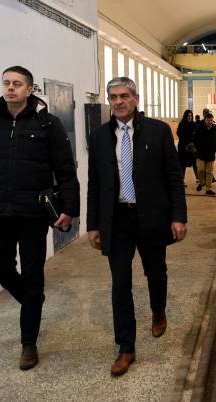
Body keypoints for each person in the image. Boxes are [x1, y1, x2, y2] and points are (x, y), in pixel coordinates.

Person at [0, 65, 79, 370]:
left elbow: (65, 170)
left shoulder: (48, 124)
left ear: (30, 89)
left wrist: (69, 209)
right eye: (6, 83)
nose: (10, 88)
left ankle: (29, 343)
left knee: (32, 274)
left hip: (33, 214)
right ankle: (32, 300)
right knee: (0, 268)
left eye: (17, 83)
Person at [86, 77, 187, 376]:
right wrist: (93, 224)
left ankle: (158, 310)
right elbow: (94, 184)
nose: (118, 102)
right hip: (117, 220)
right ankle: (126, 347)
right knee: (120, 283)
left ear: (136, 99)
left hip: (151, 217)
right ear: (108, 101)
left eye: (124, 96)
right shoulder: (99, 137)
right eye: (113, 97)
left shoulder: (158, 132)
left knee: (156, 272)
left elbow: (173, 177)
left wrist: (178, 216)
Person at [194, 112, 216, 195]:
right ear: (205, 120)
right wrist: (197, 148)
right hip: (201, 153)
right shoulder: (200, 128)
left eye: (211, 120)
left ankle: (208, 189)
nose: (210, 122)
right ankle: (201, 183)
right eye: (208, 120)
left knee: (209, 172)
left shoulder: (214, 129)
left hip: (210, 154)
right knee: (201, 170)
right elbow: (195, 139)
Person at [176, 109, 197, 186]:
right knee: (183, 164)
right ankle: (181, 181)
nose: (190, 117)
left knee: (195, 163)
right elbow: (178, 133)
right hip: (183, 147)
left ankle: (199, 179)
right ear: (185, 116)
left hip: (192, 147)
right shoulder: (181, 124)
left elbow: (196, 134)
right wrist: (186, 141)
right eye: (188, 116)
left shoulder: (194, 124)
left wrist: (192, 142)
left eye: (191, 116)